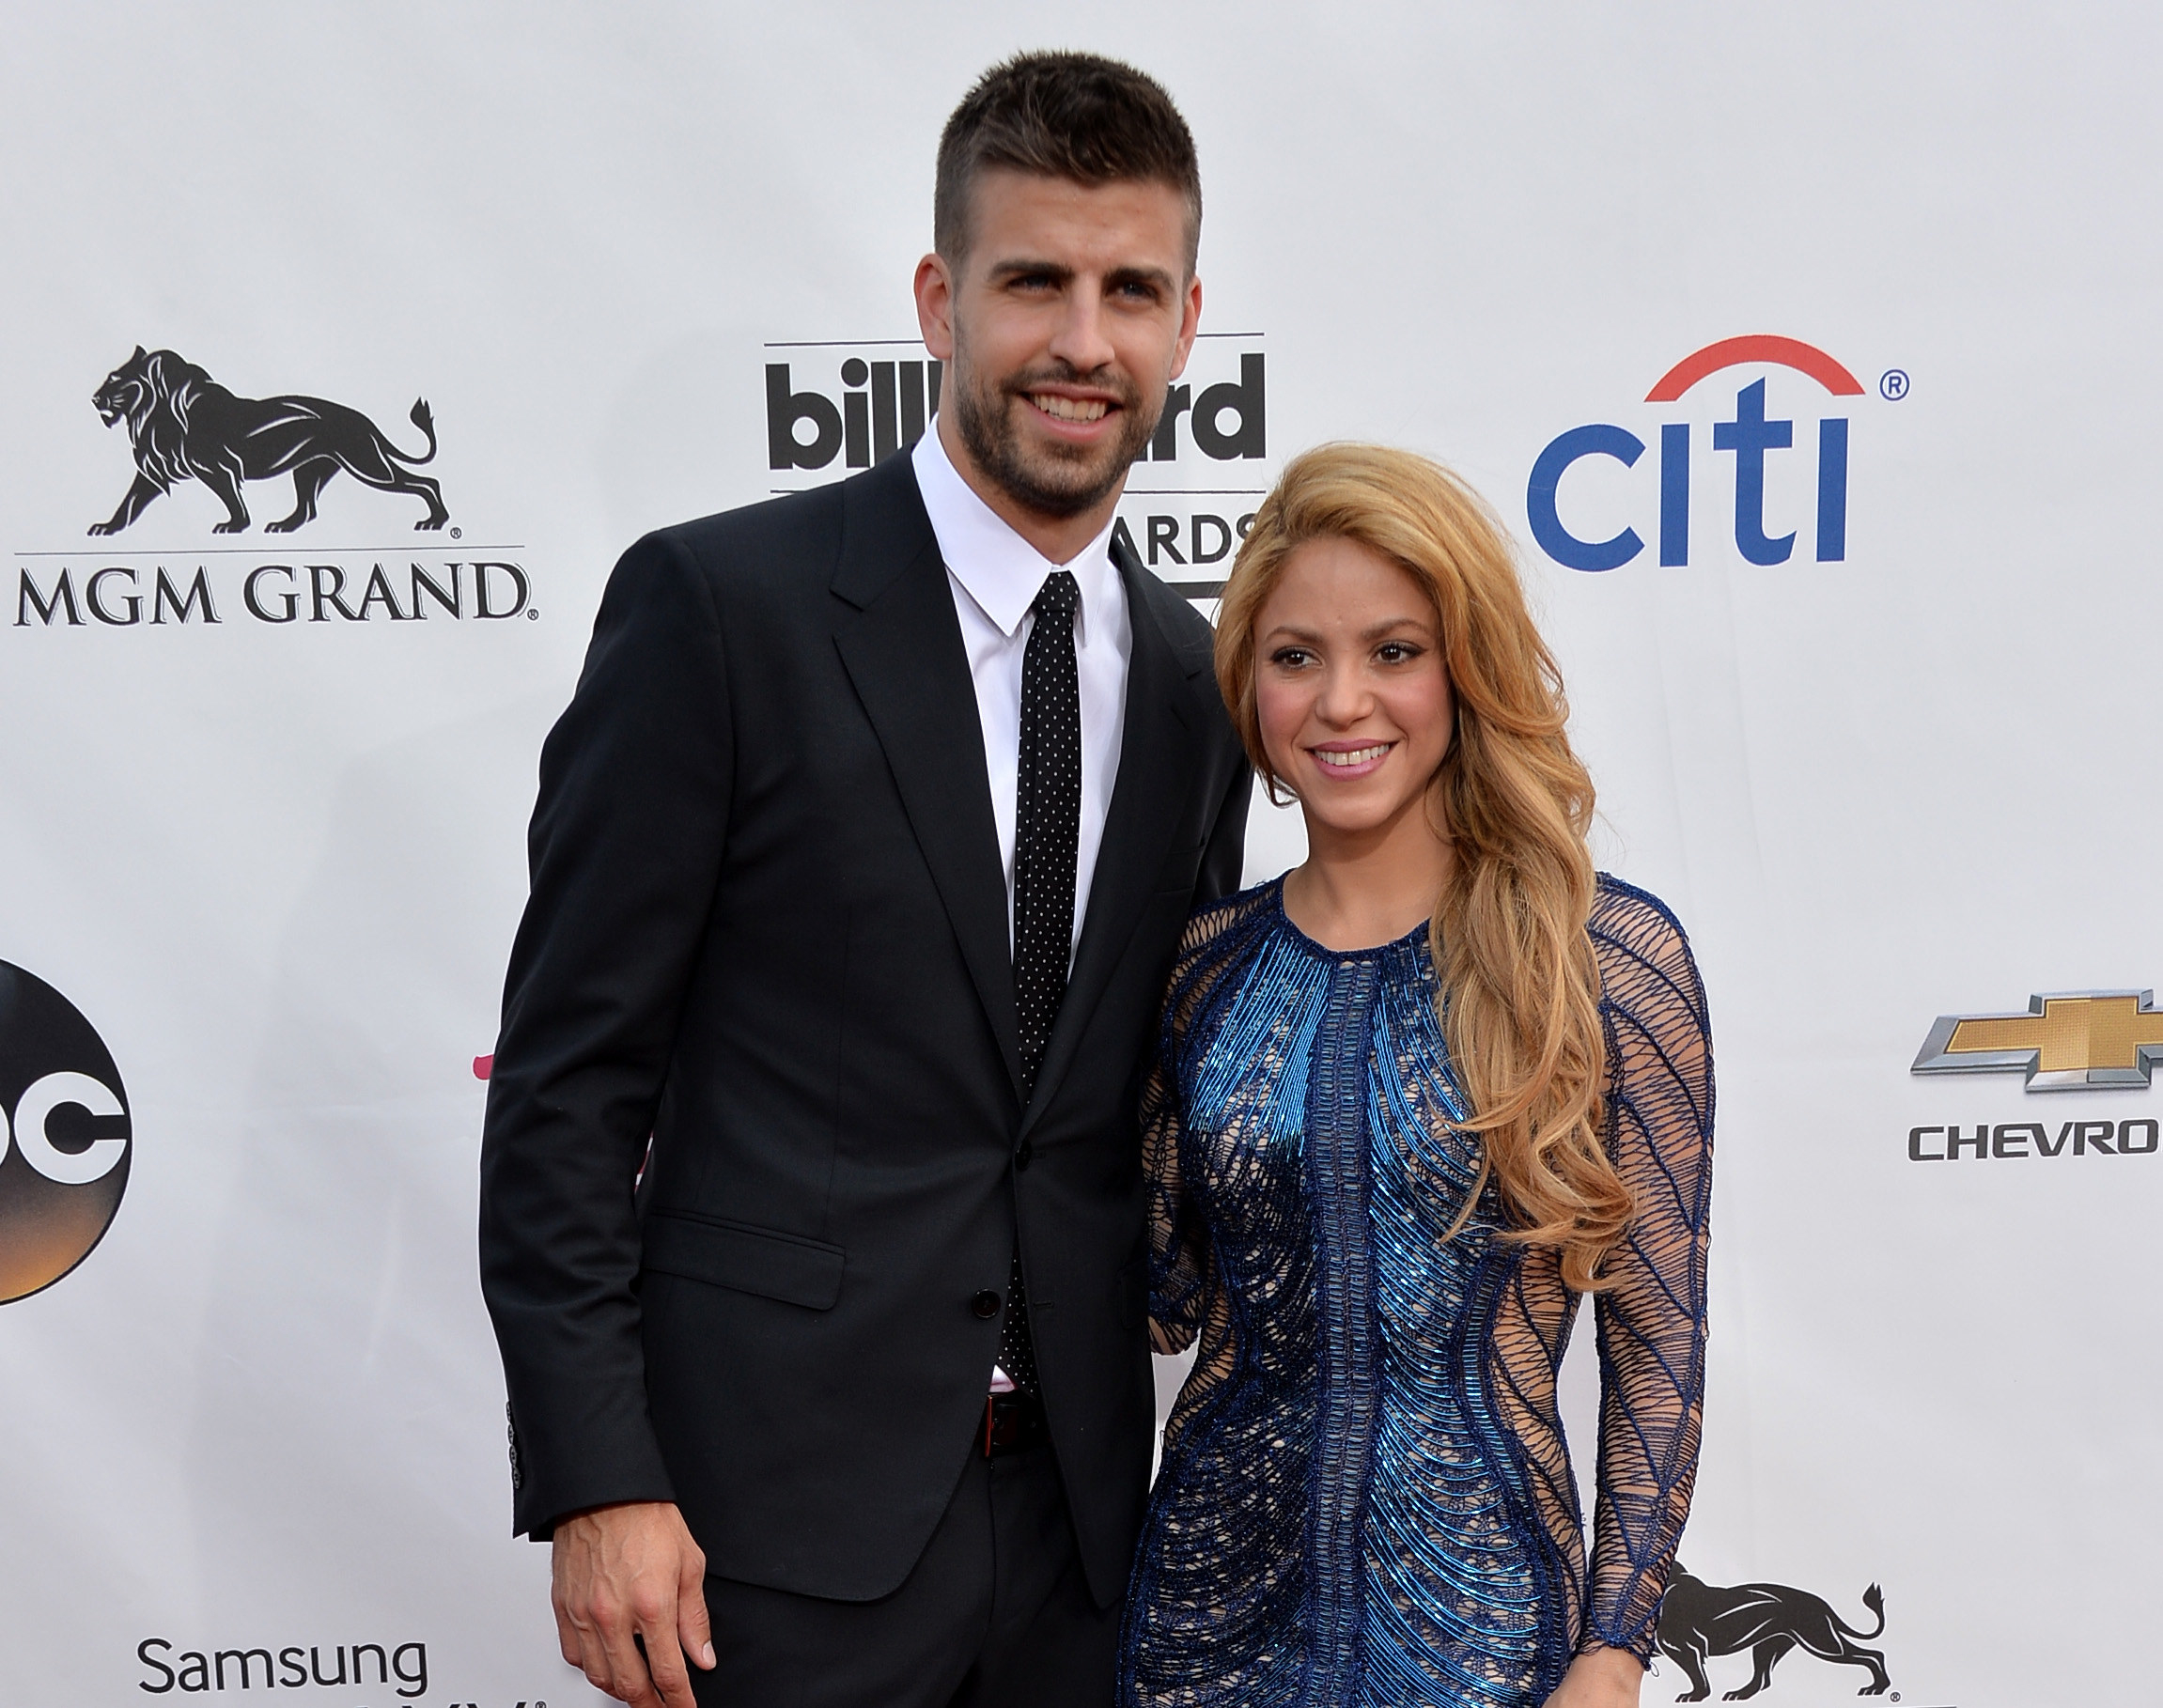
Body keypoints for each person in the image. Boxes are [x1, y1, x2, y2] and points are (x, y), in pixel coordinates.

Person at [478, 52, 1252, 1708]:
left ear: (1188, 324)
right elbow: (566, 1085)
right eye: (1031, 281)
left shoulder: (1204, 686)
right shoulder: (721, 612)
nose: (1082, 340)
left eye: (1130, 290)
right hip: (767, 1533)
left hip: (1084, 1540)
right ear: (937, 301)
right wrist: (600, 1477)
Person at [1120, 444, 1714, 1708]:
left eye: (1394, 650)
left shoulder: (1600, 961)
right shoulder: (1200, 970)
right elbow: (1158, 1301)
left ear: (1465, 669)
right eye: (1296, 657)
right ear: (1249, 689)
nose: (1342, 702)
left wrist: (1614, 1646)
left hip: (1486, 1636)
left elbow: (1657, 1333)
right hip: (1204, 1626)